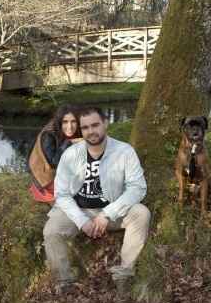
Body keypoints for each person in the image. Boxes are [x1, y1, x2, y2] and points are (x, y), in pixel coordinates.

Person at [43, 106, 151, 292]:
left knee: (141, 213)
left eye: (95, 125)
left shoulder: (124, 151)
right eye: (85, 128)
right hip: (79, 209)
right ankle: (64, 281)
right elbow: (61, 194)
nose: (91, 131)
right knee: (51, 230)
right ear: (81, 130)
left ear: (105, 124)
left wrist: (107, 214)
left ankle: (124, 273)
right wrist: (82, 221)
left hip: (112, 210)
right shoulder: (70, 155)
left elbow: (138, 187)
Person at [28, 104, 82, 203]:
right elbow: (53, 163)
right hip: (47, 179)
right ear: (59, 121)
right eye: (65, 122)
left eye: (73, 121)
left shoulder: (77, 130)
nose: (69, 127)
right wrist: (70, 143)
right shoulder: (48, 135)